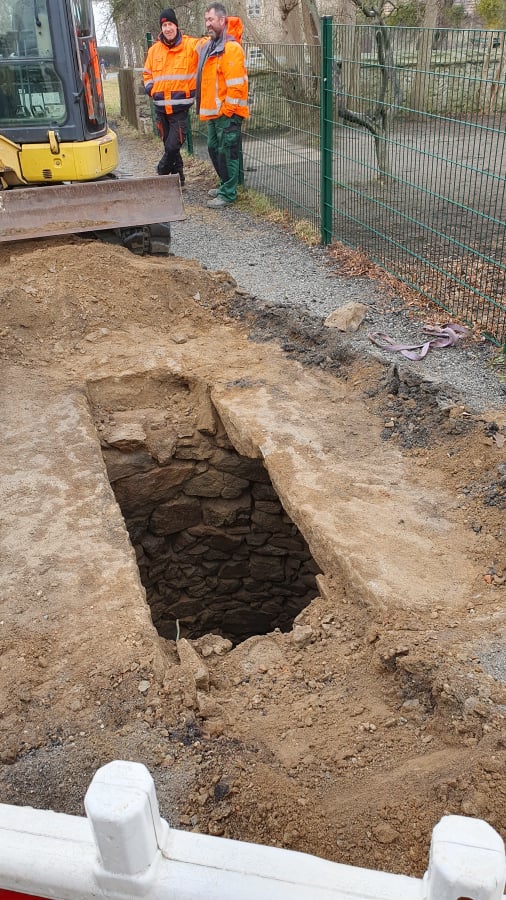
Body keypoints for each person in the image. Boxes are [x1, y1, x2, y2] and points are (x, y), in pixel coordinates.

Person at [196, 3, 249, 208]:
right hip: (215, 113)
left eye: (211, 20)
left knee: (228, 152)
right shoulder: (212, 45)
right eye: (206, 20)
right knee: (214, 149)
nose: (208, 24)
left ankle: (228, 193)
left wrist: (227, 111)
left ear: (222, 20)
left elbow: (236, 86)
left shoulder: (231, 48)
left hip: (228, 113)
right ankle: (224, 185)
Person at [142, 9, 198, 185]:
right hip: (160, 107)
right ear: (161, 28)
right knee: (170, 146)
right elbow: (147, 73)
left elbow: (207, 45)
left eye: (170, 24)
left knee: (173, 146)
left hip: (179, 108)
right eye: (164, 25)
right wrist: (151, 89)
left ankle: (162, 170)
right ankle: (178, 180)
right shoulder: (153, 51)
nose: (167, 28)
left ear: (176, 25)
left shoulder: (189, 45)